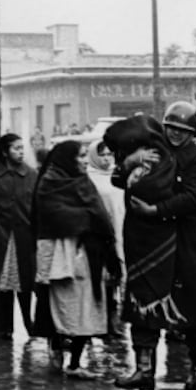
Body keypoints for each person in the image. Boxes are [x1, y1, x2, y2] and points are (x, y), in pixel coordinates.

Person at [106, 102, 196, 390]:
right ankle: (144, 371)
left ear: (192, 133)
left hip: (184, 244)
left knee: (193, 309)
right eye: (171, 128)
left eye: (183, 130)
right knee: (143, 305)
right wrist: (131, 161)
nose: (176, 135)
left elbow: (194, 197)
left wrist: (156, 210)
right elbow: (118, 179)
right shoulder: (150, 149)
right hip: (146, 242)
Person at [32, 141, 120, 379]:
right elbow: (54, 216)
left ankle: (75, 363)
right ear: (67, 158)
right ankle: (57, 347)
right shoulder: (49, 183)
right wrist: (87, 219)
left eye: (84, 156)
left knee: (86, 306)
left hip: (88, 256)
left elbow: (99, 215)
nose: (83, 161)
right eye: (80, 156)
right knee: (61, 305)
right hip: (61, 258)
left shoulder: (82, 181)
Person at [0, 133, 37, 338]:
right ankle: (3, 327)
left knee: (25, 281)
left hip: (24, 234)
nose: (21, 152)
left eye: (23, 148)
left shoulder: (31, 175)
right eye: (16, 148)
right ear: (5, 152)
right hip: (1, 234)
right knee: (2, 282)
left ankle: (28, 322)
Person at [87, 139, 126, 338]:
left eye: (109, 154)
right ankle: (98, 325)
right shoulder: (88, 178)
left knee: (115, 280)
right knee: (100, 280)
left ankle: (113, 322)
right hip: (98, 236)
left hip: (119, 232)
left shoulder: (117, 175)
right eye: (101, 154)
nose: (106, 158)